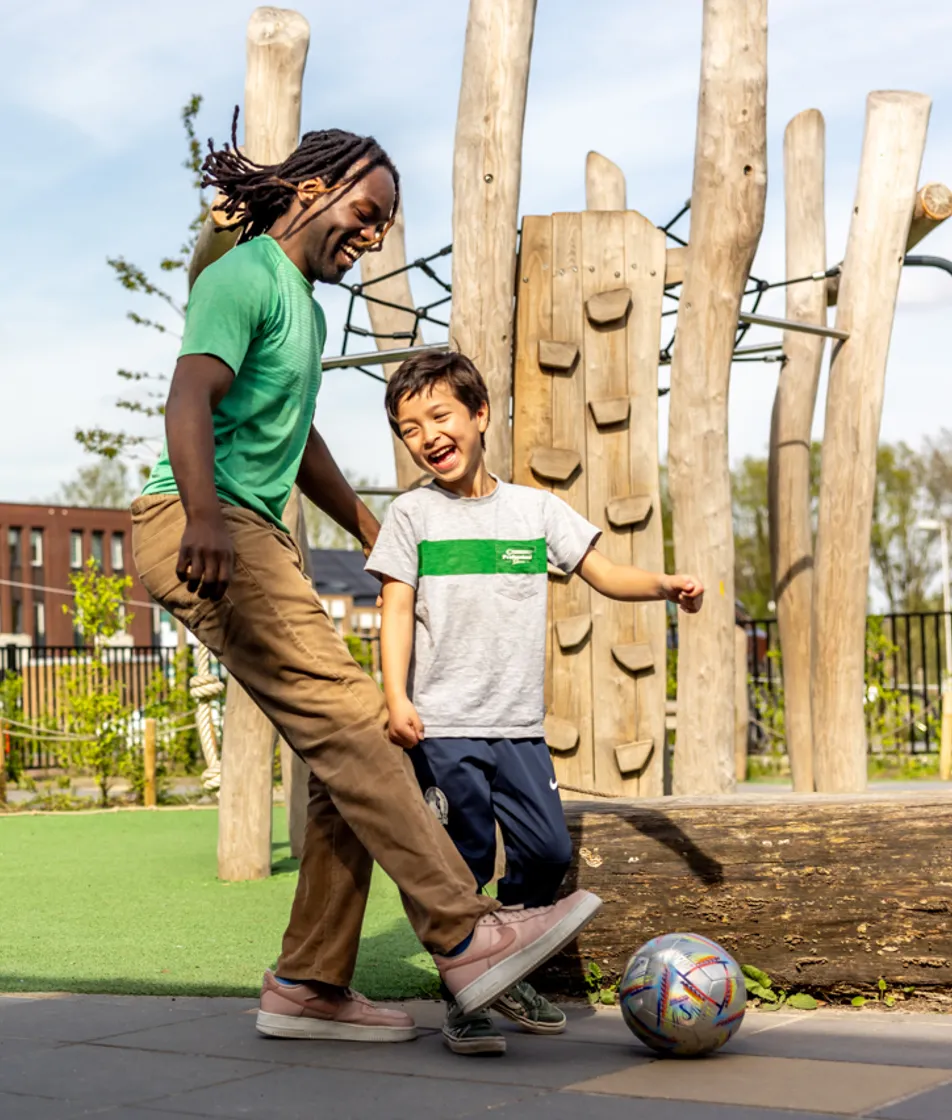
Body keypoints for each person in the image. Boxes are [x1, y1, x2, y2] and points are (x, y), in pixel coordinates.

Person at [131, 113, 602, 1045]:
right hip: (209, 526)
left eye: (387, 222)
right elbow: (190, 393)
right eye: (369, 210)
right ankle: (468, 936)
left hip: (259, 532)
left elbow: (293, 433)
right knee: (362, 726)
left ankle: (310, 982)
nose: (375, 233)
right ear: (314, 188)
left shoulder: (300, 307)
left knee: (339, 765)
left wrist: (361, 520)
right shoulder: (242, 278)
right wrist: (203, 513)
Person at [366, 350, 703, 1055]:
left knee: (547, 852)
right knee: (458, 864)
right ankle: (465, 994)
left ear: (479, 414)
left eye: (439, 416)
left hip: (518, 728)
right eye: (409, 429)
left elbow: (605, 573)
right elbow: (395, 611)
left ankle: (502, 959)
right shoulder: (411, 516)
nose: (426, 436)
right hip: (443, 728)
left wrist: (663, 585)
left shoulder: (535, 511)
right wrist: (395, 696)